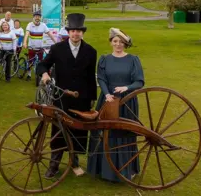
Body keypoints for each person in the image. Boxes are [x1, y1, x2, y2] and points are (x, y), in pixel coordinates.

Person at [36, 13, 97, 178]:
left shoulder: (91, 52)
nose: (76, 34)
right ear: (68, 32)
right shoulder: (57, 49)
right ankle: (53, 166)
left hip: (81, 99)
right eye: (73, 31)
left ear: (82, 32)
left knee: (77, 132)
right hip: (61, 98)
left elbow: (91, 77)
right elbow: (42, 64)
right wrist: (44, 74)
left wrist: (92, 98)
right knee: (58, 132)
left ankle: (74, 163)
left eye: (79, 31)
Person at [87, 28, 144, 182]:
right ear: (111, 42)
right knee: (105, 132)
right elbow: (101, 79)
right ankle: (103, 170)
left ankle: (126, 169)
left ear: (125, 44)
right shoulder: (104, 59)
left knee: (123, 133)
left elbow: (139, 81)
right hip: (108, 100)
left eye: (121, 42)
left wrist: (127, 88)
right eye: (115, 41)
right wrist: (106, 94)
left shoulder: (133, 60)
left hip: (126, 102)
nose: (118, 44)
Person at [22, 10, 57, 81]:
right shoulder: (30, 25)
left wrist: (56, 42)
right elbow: (27, 34)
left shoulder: (43, 25)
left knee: (41, 62)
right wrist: (25, 42)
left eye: (39, 17)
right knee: (30, 62)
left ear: (40, 18)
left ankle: (40, 75)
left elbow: (50, 34)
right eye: (36, 16)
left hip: (40, 48)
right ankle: (29, 75)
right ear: (33, 17)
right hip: (31, 47)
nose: (37, 18)